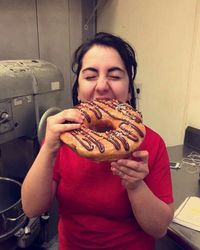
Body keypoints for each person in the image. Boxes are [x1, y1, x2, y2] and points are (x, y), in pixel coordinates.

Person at [21, 32, 174, 250]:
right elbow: (31, 208)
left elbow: (159, 229)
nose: (101, 86)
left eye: (114, 75)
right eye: (91, 76)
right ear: (79, 90)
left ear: (129, 90)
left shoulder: (151, 143)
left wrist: (136, 185)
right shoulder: (64, 137)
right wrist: (49, 149)